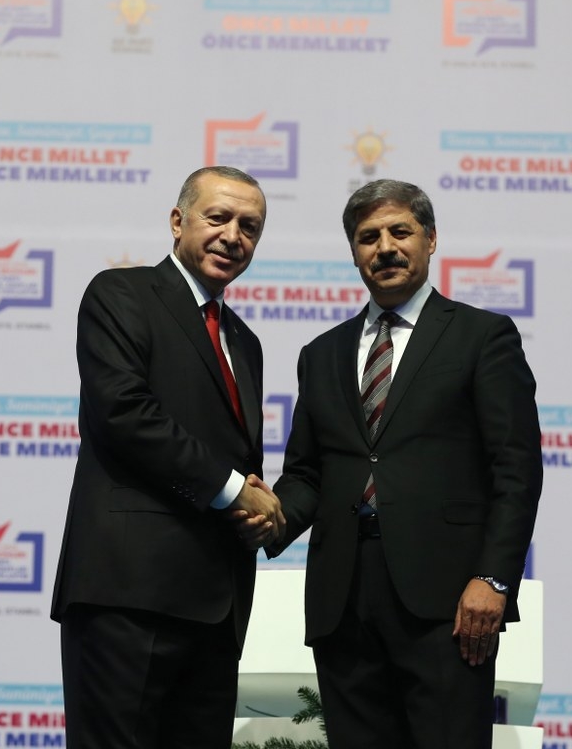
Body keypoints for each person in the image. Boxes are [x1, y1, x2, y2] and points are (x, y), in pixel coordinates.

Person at [238, 179, 542, 748]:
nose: (385, 247)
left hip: (450, 602)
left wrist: (494, 578)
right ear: (354, 253)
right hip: (342, 600)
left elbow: (516, 470)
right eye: (368, 237)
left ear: (430, 239)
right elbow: (308, 473)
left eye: (400, 232)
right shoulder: (321, 354)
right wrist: (271, 517)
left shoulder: (482, 337)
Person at [51, 165, 285, 749]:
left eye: (250, 227)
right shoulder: (121, 294)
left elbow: (236, 457)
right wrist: (234, 490)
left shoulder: (246, 342)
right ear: (178, 221)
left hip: (217, 607)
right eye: (218, 217)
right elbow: (125, 414)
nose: (233, 236)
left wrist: (258, 508)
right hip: (128, 596)